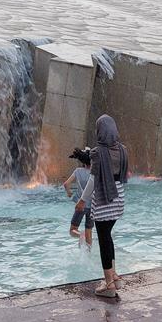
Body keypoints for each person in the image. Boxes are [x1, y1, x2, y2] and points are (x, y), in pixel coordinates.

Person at [76, 114, 128, 298]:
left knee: (104, 241)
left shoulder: (99, 153)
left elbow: (92, 180)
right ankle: (114, 275)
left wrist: (82, 200)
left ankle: (109, 285)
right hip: (119, 197)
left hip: (105, 199)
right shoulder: (122, 149)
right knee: (108, 237)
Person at [63, 147, 94, 248]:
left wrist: (69, 193)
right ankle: (88, 253)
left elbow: (66, 184)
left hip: (81, 204)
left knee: (72, 230)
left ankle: (80, 235)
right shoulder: (95, 172)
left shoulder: (78, 171)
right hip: (92, 206)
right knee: (89, 230)